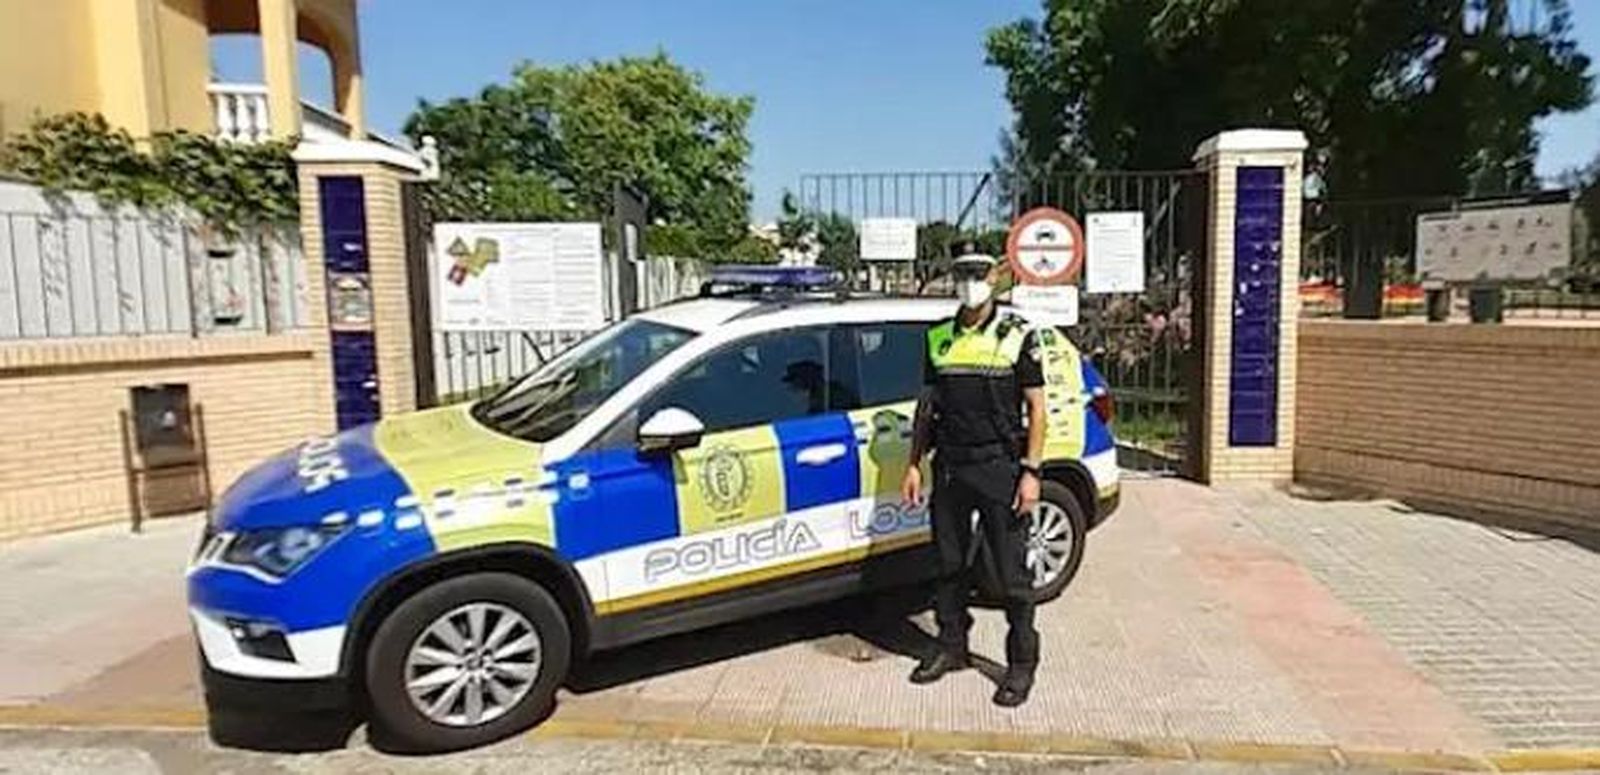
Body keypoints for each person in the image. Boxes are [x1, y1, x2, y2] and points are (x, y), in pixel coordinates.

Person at [900, 252, 1048, 707]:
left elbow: (1037, 408)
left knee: (1009, 574)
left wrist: (1031, 471)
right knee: (948, 564)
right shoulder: (938, 337)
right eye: (962, 275)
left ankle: (1021, 663)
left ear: (995, 277)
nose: (970, 283)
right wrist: (913, 463)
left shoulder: (1017, 333)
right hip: (951, 465)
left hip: (1000, 466)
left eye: (978, 275)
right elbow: (927, 408)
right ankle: (952, 645)